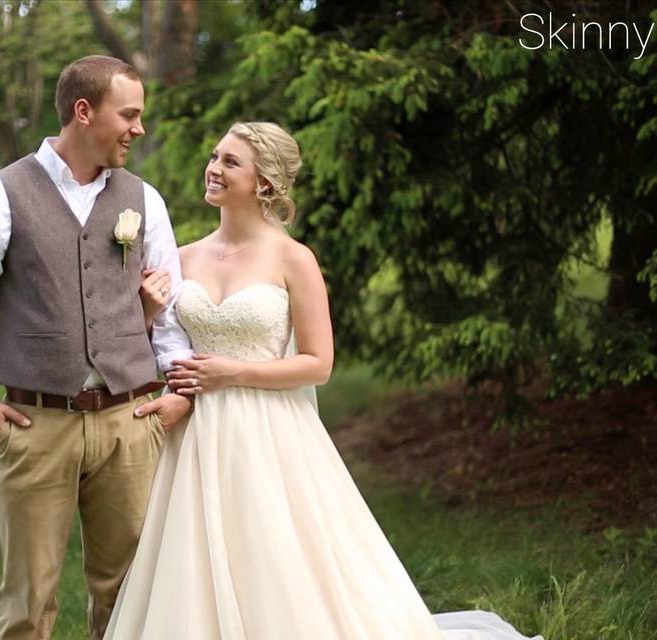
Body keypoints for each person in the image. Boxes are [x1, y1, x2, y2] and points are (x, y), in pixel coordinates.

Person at [104, 122, 544, 640]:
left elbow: (318, 363)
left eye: (230, 162)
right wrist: (150, 314)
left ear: (264, 183)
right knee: (192, 555)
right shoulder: (183, 258)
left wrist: (233, 372)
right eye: (215, 156)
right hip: (195, 433)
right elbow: (161, 347)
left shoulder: (293, 259)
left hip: (269, 431)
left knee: (272, 554)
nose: (214, 168)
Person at [0, 55, 194, 640]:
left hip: (130, 421)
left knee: (129, 593)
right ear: (84, 111)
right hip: (36, 422)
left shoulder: (144, 199)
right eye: (129, 114)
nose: (138, 129)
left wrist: (177, 394)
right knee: (28, 600)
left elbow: (171, 310)